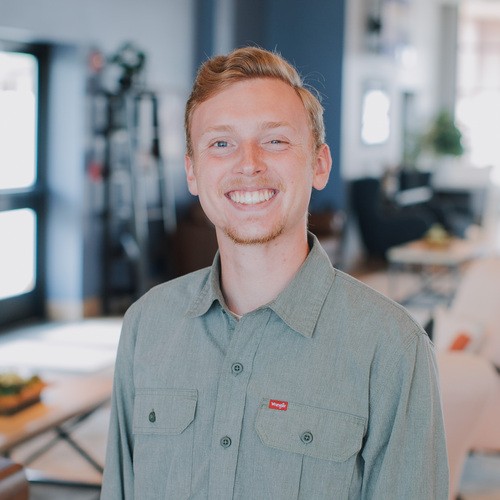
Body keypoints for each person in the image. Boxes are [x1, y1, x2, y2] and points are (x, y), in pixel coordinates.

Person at [101, 46, 449, 499]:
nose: (248, 163)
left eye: (275, 141)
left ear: (319, 165)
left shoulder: (393, 348)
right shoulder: (146, 325)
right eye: (221, 143)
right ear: (192, 172)